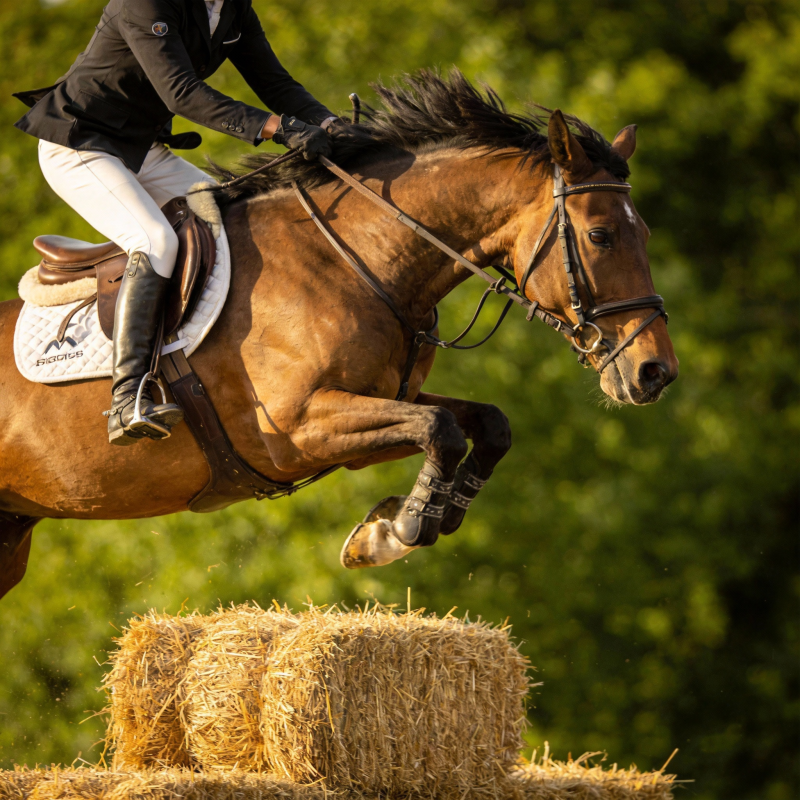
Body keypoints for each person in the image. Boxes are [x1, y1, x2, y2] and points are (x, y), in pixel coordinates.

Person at [14, 0, 337, 445]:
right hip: (79, 143)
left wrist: (330, 124)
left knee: (233, 214)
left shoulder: (232, 9)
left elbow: (275, 82)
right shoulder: (144, 1)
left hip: (141, 148)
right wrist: (279, 129)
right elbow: (181, 92)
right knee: (154, 241)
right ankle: (128, 398)